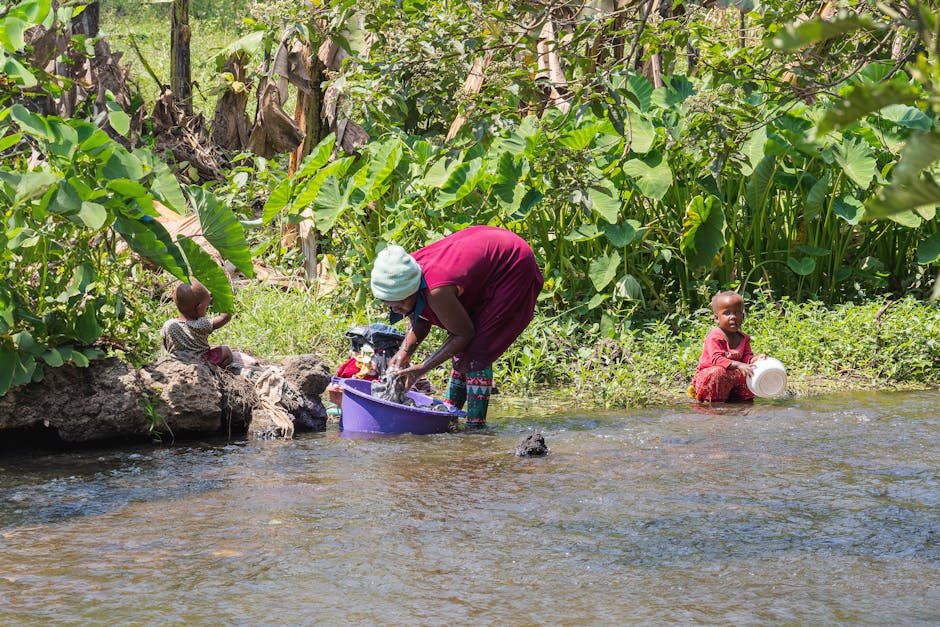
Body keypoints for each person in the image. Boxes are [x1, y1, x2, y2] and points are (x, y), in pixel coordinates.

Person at [369, 225, 544, 427]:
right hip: (487, 249)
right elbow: (421, 315)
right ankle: (449, 415)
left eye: (399, 304)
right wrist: (404, 352)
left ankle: (475, 427)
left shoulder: (436, 290)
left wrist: (422, 368)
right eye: (391, 306)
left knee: (477, 349)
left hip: (512, 263)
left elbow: (464, 333)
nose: (397, 310)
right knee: (463, 349)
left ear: (412, 290)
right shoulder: (403, 272)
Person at [691, 290, 766, 402]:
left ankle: (740, 401)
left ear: (743, 316)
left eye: (737, 313)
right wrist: (739, 365)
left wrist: (755, 359)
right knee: (718, 372)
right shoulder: (715, 336)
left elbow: (746, 358)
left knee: (749, 371)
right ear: (717, 318)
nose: (733, 317)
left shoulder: (744, 338)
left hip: (731, 379)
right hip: (710, 379)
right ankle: (714, 404)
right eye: (727, 313)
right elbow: (717, 359)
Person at [161, 280, 252, 368]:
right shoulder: (201, 324)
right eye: (206, 307)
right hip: (201, 361)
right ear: (199, 308)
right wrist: (224, 298)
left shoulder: (168, 325)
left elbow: (166, 344)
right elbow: (225, 317)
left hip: (177, 362)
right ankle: (220, 370)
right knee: (225, 350)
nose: (206, 310)